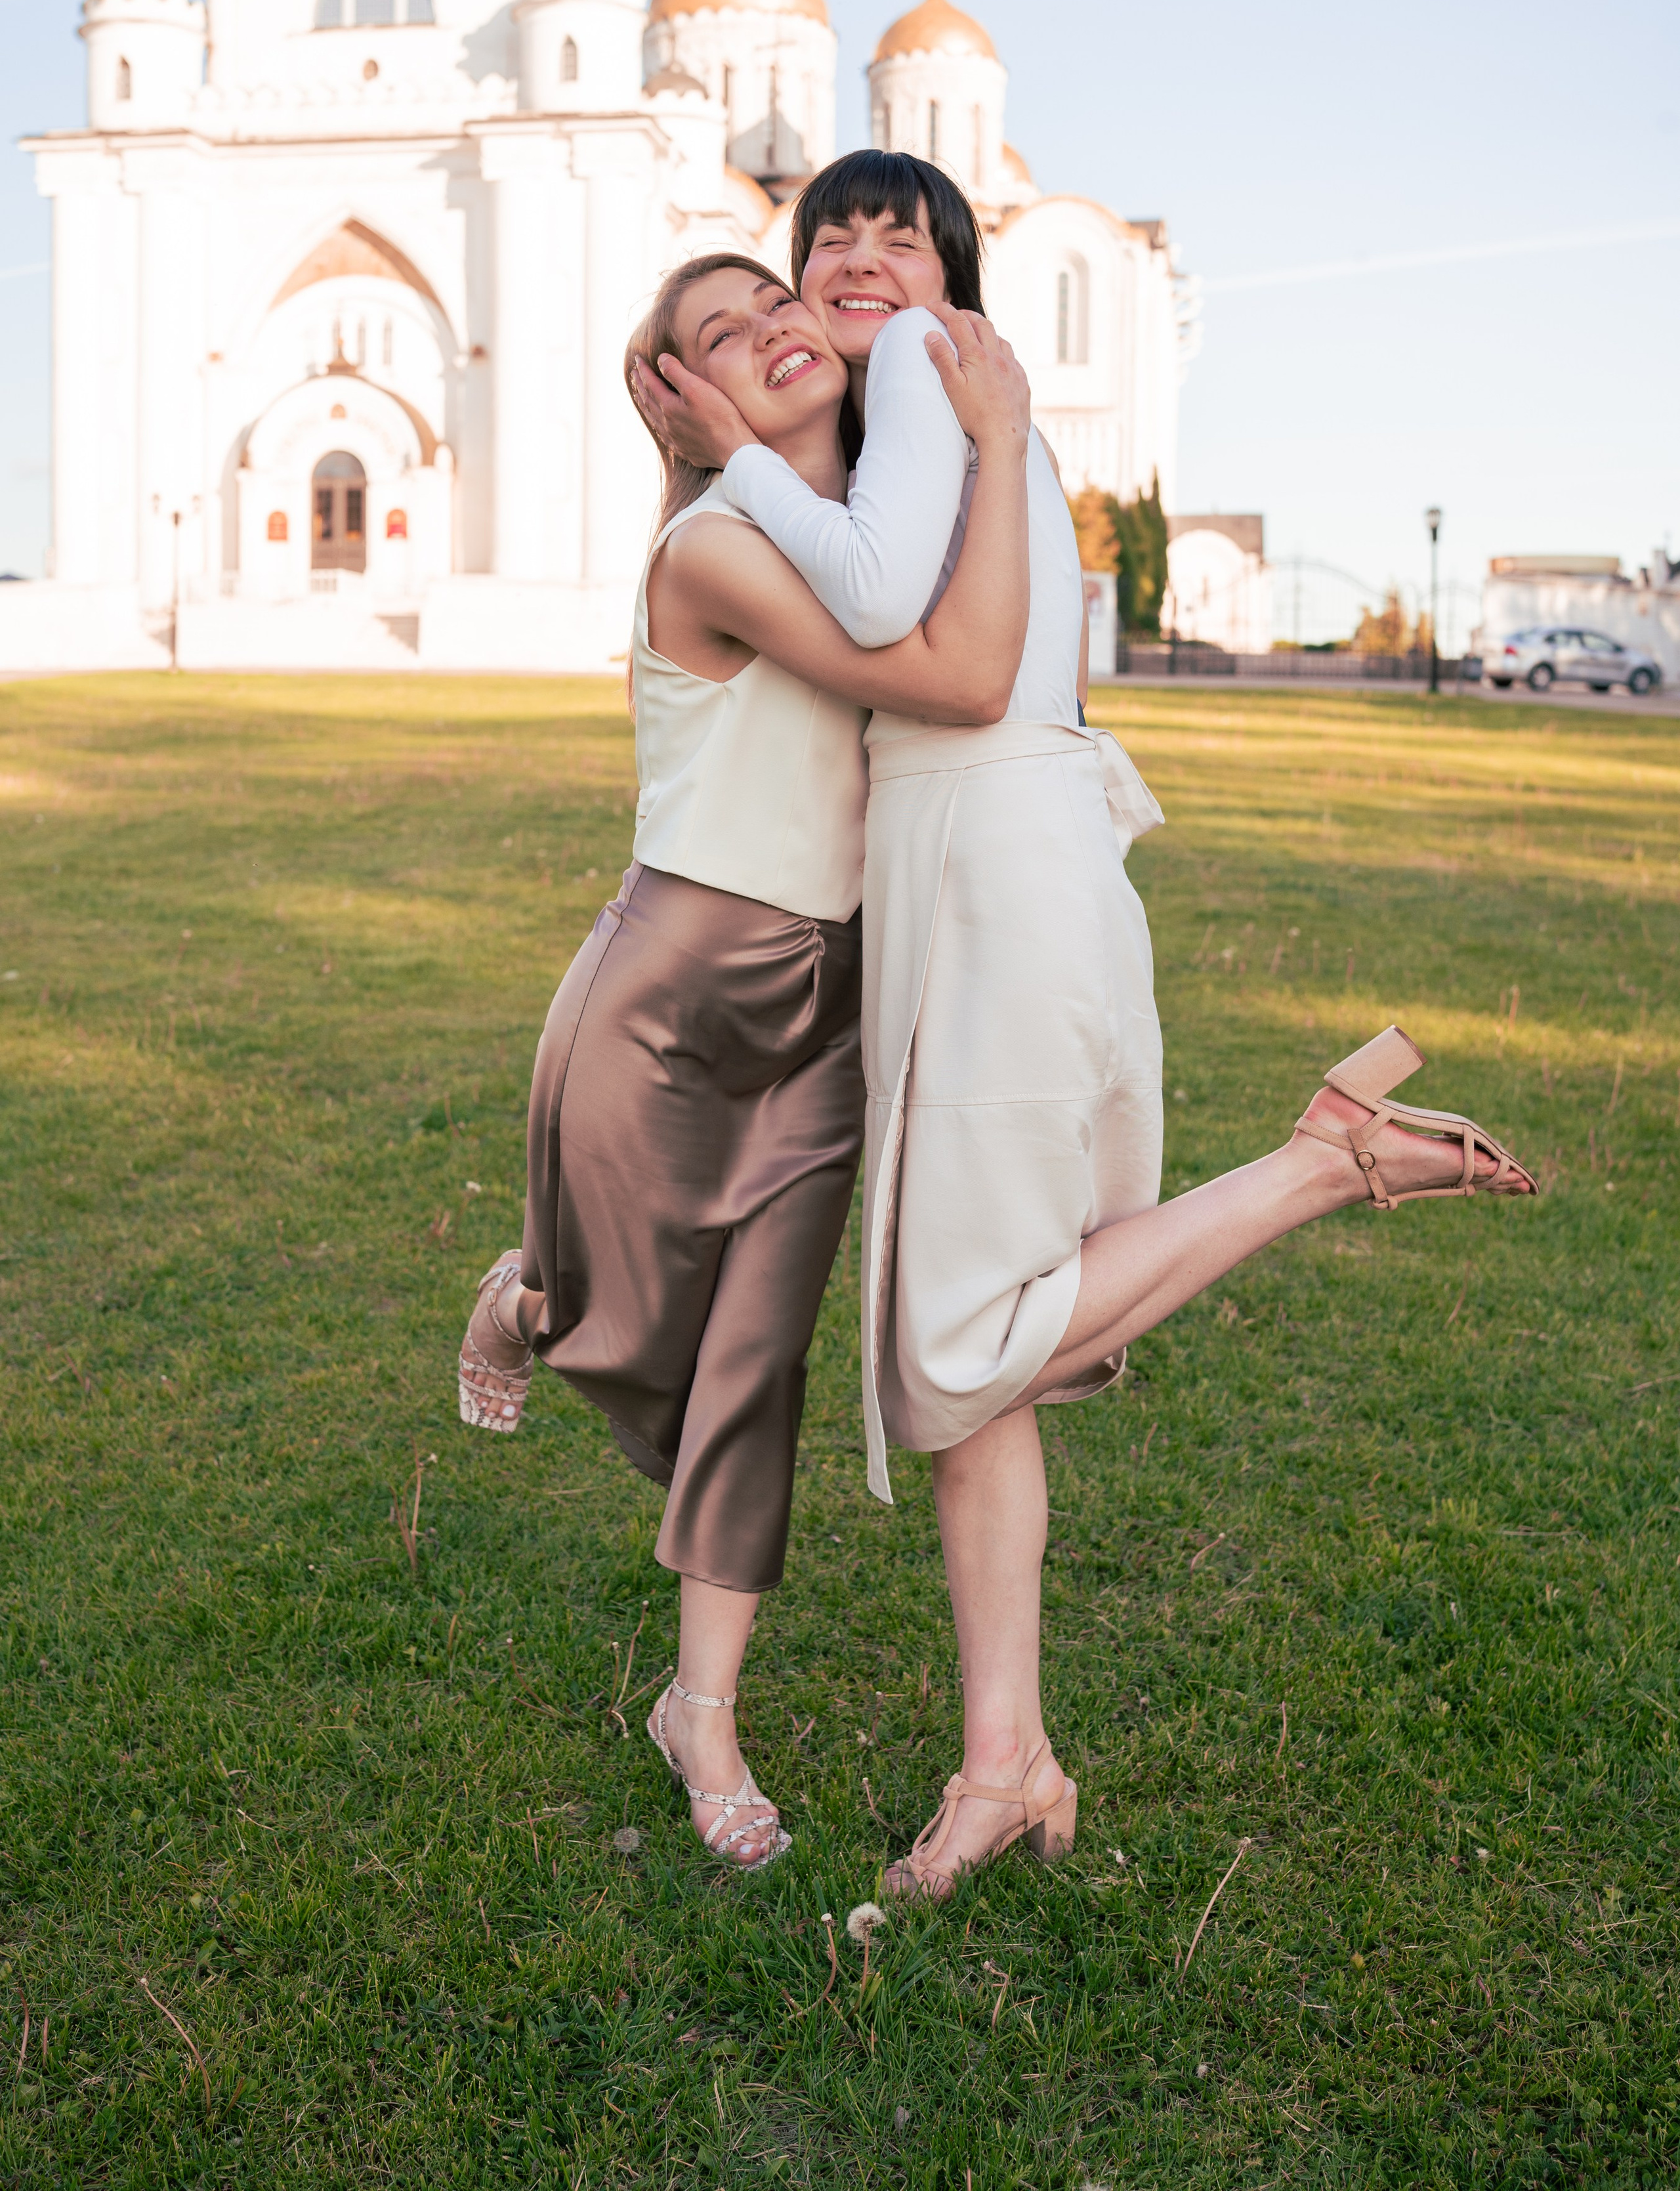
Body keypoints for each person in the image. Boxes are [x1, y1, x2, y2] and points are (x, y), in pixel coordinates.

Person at [635, 152, 1539, 1900]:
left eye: (900, 237)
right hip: (1006, 854)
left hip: (986, 857)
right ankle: (1007, 1762)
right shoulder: (950, 407)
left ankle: (1322, 1159)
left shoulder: (931, 369)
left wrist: (734, 453)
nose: (857, 258)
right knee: (986, 1362)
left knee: (955, 1343)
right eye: (830, 237)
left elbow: (889, 614)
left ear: (954, 277)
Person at [457, 249, 1034, 1872]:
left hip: (825, 1013)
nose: (777, 324)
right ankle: (531, 1295)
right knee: (626, 1328)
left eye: (773, 302)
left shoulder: (876, 532)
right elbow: (957, 676)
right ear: (680, 401)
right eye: (720, 331)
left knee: (750, 1367)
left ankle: (696, 1712)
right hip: (670, 994)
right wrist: (995, 443)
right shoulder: (715, 543)